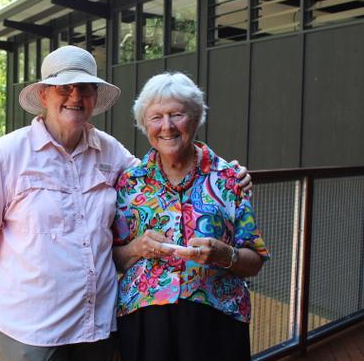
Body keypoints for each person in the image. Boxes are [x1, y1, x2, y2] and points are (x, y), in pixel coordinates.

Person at [0, 46, 250, 361]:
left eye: (84, 88)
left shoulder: (110, 152)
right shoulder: (9, 153)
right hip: (31, 328)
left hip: (95, 327)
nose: (75, 95)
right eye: (64, 87)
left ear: (94, 99)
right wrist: (7, 292)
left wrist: (225, 172)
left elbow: (162, 175)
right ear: (43, 96)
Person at [112, 72, 269, 361]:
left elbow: (255, 260)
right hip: (146, 322)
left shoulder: (229, 179)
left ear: (195, 119)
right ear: (144, 124)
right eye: (155, 117)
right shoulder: (129, 183)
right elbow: (114, 257)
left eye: (176, 115)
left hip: (216, 320)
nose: (166, 126)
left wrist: (225, 255)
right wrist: (137, 248)